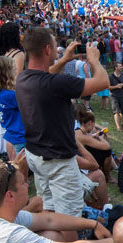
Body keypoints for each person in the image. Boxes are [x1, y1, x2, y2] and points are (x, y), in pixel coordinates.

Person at [17, 27, 109, 218]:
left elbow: (46, 73)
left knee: (49, 208)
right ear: (47, 49)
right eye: (54, 46)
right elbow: (102, 82)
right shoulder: (57, 84)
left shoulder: (24, 78)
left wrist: (65, 59)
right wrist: (94, 60)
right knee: (69, 218)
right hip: (59, 161)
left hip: (37, 154)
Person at [0, 56, 26, 166]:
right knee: (20, 172)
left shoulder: (0, 93)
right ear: (8, 72)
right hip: (20, 137)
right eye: (13, 68)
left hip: (11, 135)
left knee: (15, 168)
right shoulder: (10, 95)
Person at [76, 108, 118, 184]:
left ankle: (106, 172)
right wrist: (101, 138)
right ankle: (108, 177)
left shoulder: (77, 131)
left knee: (100, 151)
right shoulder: (84, 137)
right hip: (83, 161)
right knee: (107, 152)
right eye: (93, 125)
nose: (93, 127)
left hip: (78, 157)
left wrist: (93, 136)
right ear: (89, 123)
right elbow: (107, 146)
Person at [108, 62, 123, 131]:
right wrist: (116, 86)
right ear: (116, 67)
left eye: (121, 66)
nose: (121, 67)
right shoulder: (110, 77)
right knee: (116, 111)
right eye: (120, 66)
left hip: (122, 95)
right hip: (114, 96)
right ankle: (118, 126)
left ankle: (122, 123)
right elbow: (108, 87)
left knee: (122, 111)